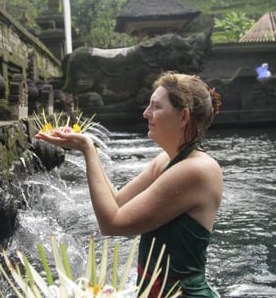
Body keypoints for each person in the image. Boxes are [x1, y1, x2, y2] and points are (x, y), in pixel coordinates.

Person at [35, 71, 223, 298]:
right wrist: (88, 148)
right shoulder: (166, 161)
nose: (146, 113)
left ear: (183, 117)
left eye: (155, 107)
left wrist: (87, 150)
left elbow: (112, 223)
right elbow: (117, 202)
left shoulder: (197, 170)